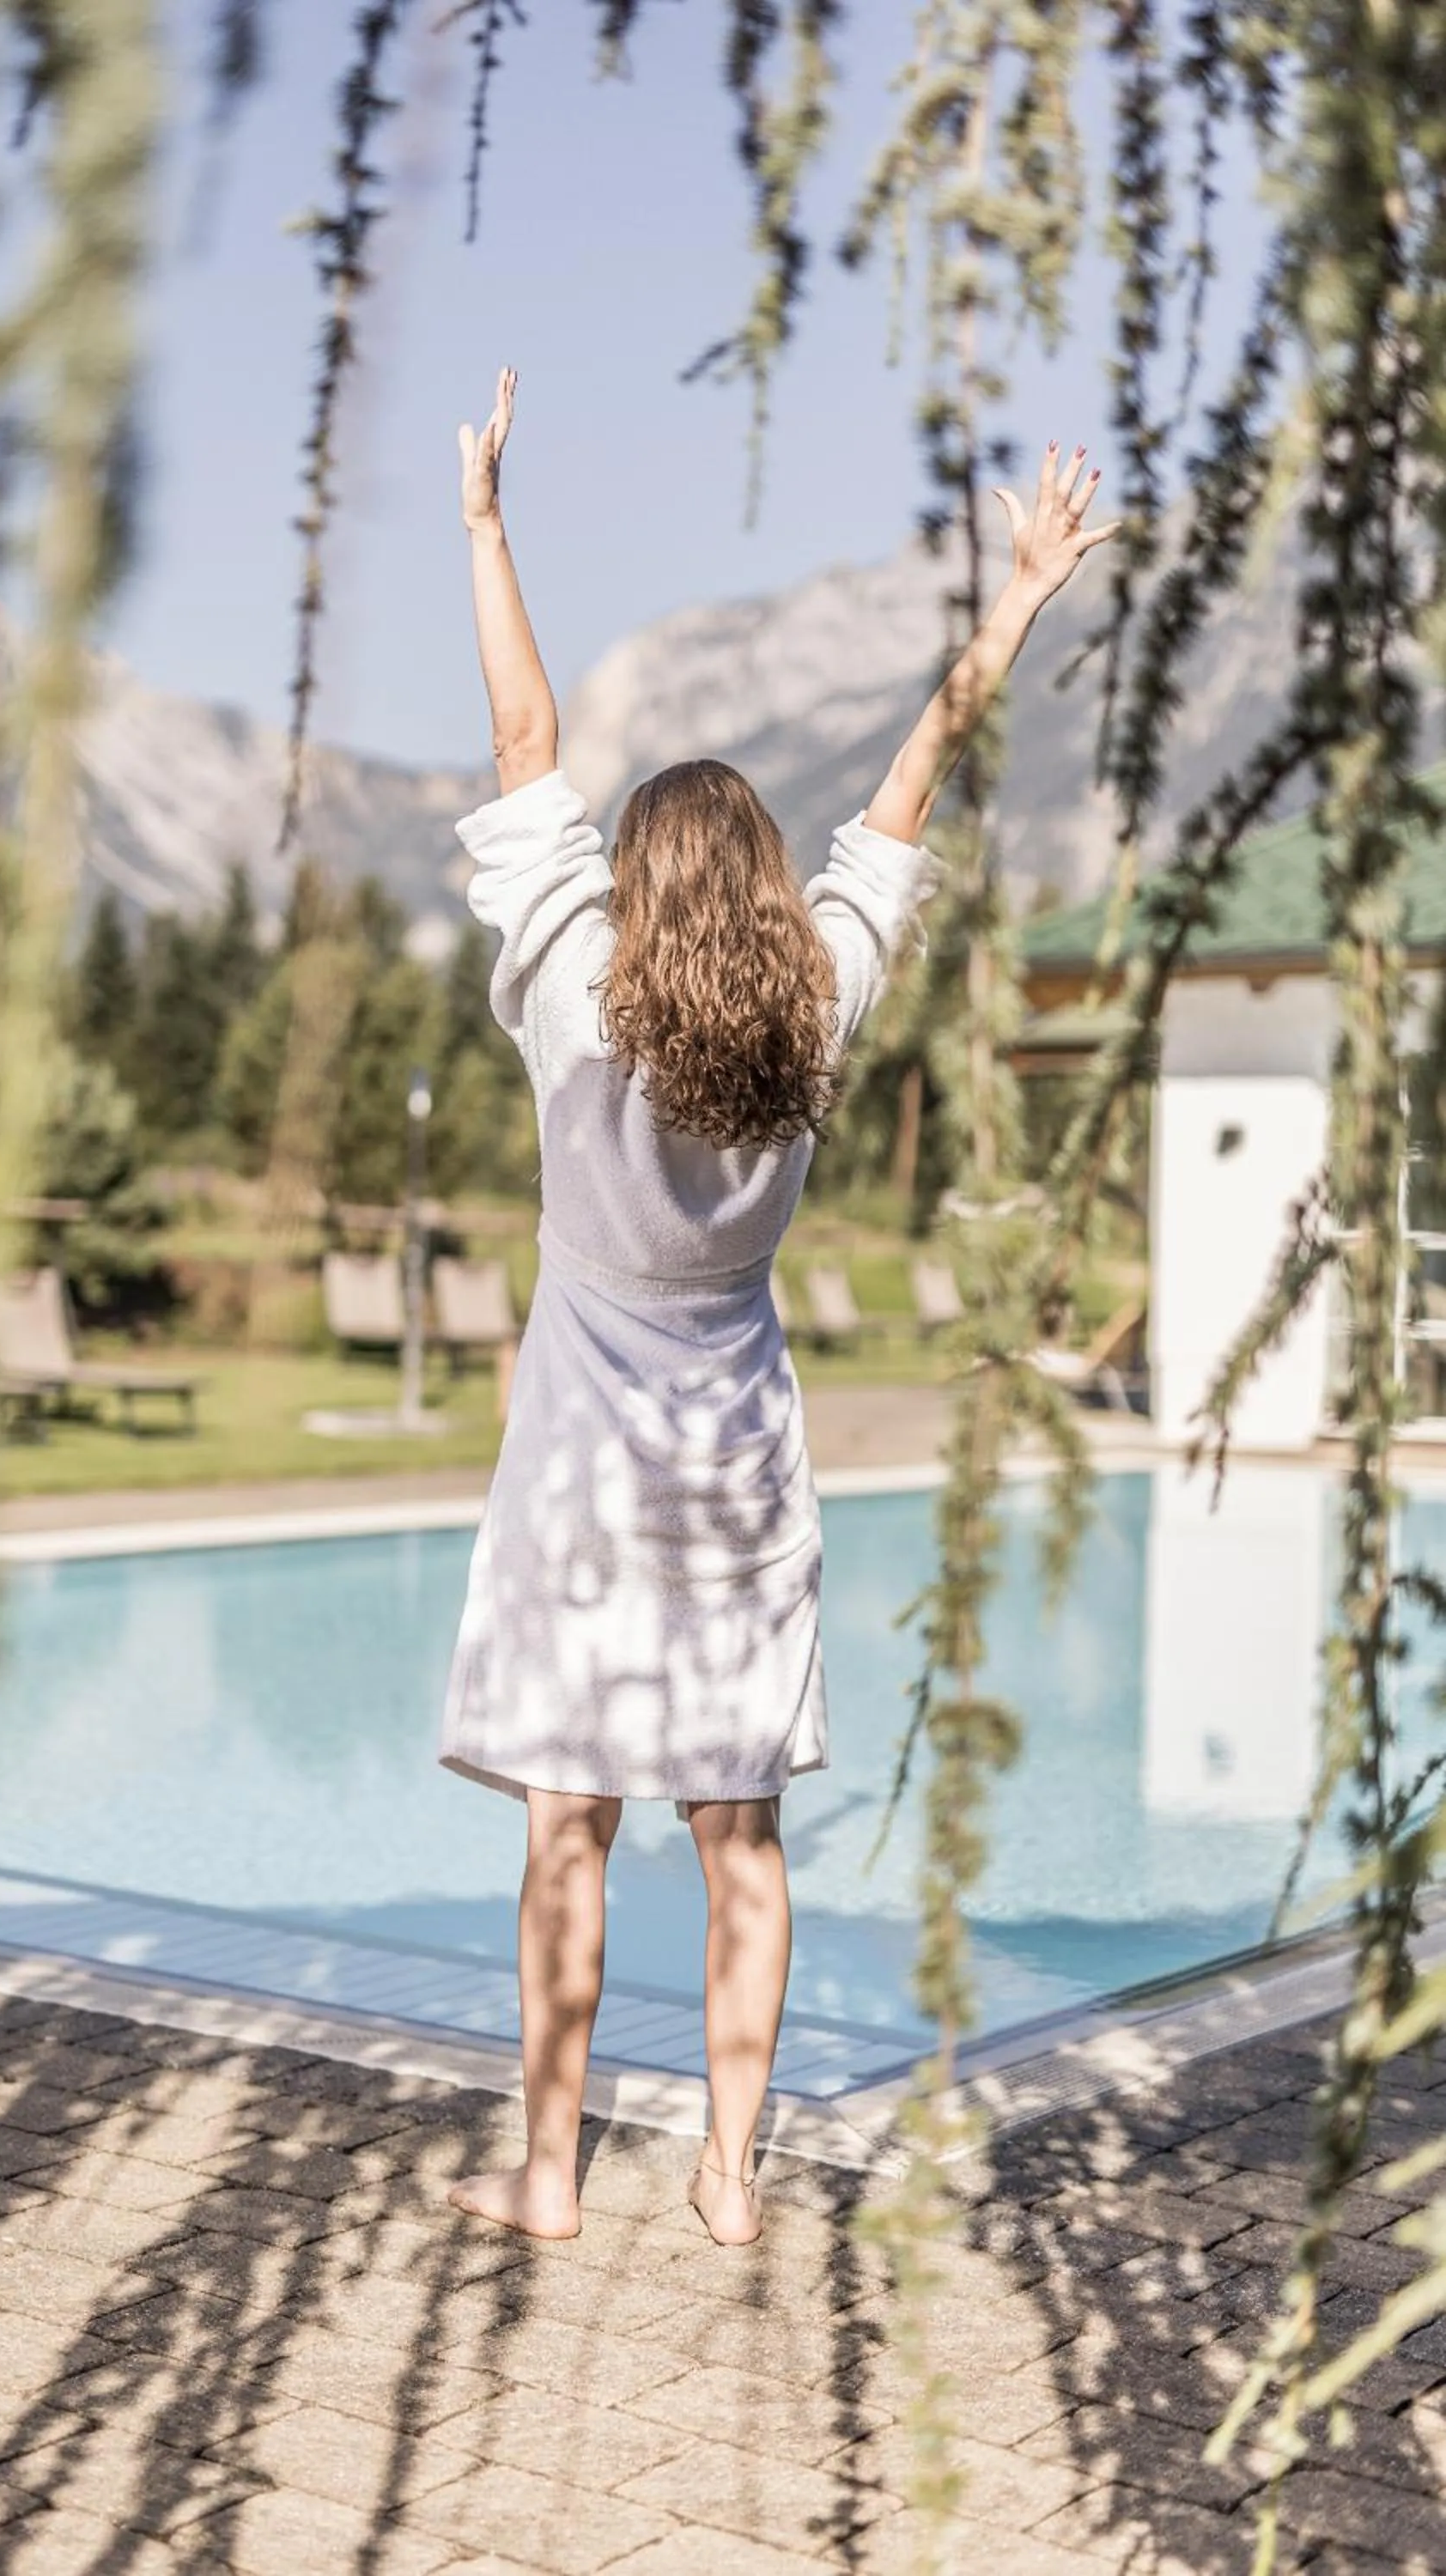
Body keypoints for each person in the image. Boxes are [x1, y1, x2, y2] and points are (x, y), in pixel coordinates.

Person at [441, 370, 1118, 2245]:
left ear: (636, 885)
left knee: (562, 1827)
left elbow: (518, 736)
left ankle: (549, 2181)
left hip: (580, 1476)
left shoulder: (578, 991)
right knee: (736, 1837)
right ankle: (733, 2182)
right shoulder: (814, 1002)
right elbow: (911, 783)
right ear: (754, 889)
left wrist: (485, 521)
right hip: (735, 1471)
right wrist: (1020, 595)